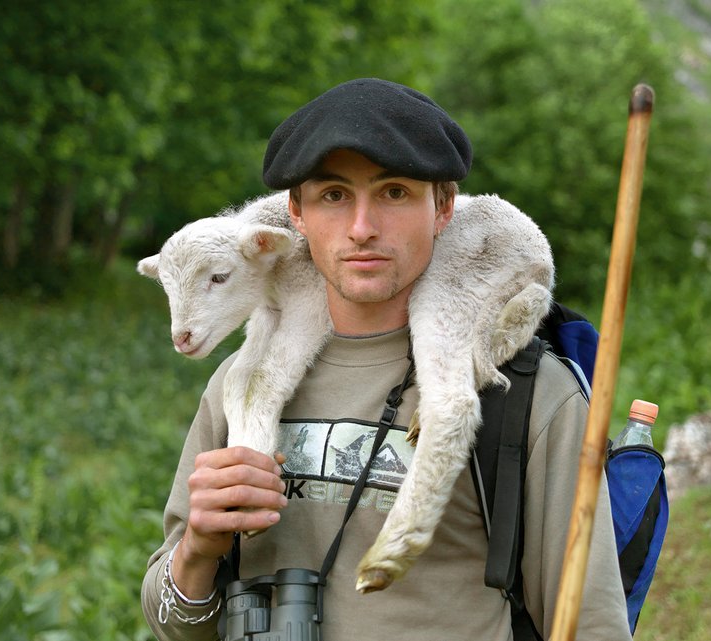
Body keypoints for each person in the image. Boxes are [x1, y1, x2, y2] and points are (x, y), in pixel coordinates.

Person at [141, 78, 631, 640]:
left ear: (443, 207)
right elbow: (173, 625)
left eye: (394, 192)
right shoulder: (237, 385)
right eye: (333, 195)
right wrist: (198, 549)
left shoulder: (532, 395)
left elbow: (591, 624)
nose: (362, 228)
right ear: (295, 214)